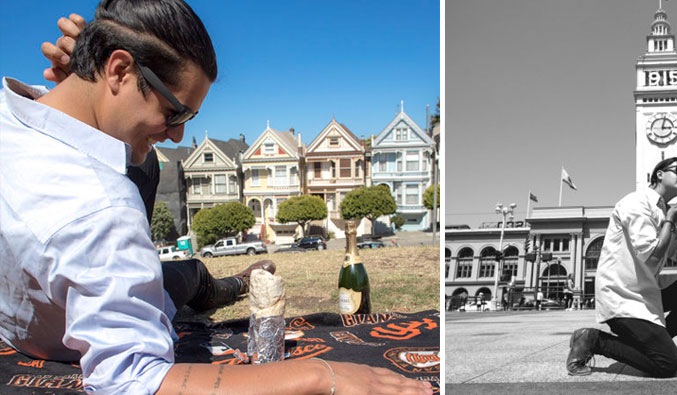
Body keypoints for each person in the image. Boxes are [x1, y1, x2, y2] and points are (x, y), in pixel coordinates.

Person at [0, 2, 432, 394]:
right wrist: (323, 374)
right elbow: (135, 380)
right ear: (118, 70)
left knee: (185, 266)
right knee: (183, 270)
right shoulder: (104, 210)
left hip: (29, 317)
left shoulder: (12, 111)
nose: (177, 134)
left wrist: (84, 83)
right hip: (61, 336)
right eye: (176, 112)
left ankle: (235, 283)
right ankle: (233, 284)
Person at [566, 157, 677, 377]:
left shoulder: (663, 212)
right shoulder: (636, 202)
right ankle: (593, 339)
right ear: (659, 174)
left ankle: (657, 347)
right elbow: (652, 259)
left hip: (647, 295)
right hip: (622, 297)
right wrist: (672, 218)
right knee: (667, 366)